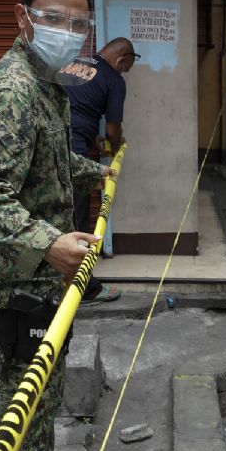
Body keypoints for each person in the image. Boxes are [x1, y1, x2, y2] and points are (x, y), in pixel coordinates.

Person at [0, 0, 114, 451]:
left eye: (78, 23)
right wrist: (49, 244)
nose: (67, 32)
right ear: (22, 17)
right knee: (24, 397)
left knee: (44, 389)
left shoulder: (47, 81)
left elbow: (44, 161)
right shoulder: (13, 89)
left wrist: (96, 172)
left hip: (42, 273)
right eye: (53, 19)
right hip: (16, 276)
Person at [64, 37, 134, 303]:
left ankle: (53, 278)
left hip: (44, 142)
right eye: (126, 67)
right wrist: (115, 146)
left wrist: (93, 138)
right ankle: (84, 287)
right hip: (72, 147)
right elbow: (113, 129)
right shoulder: (115, 81)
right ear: (121, 60)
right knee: (79, 216)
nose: (124, 71)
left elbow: (78, 107)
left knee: (53, 210)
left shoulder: (73, 63)